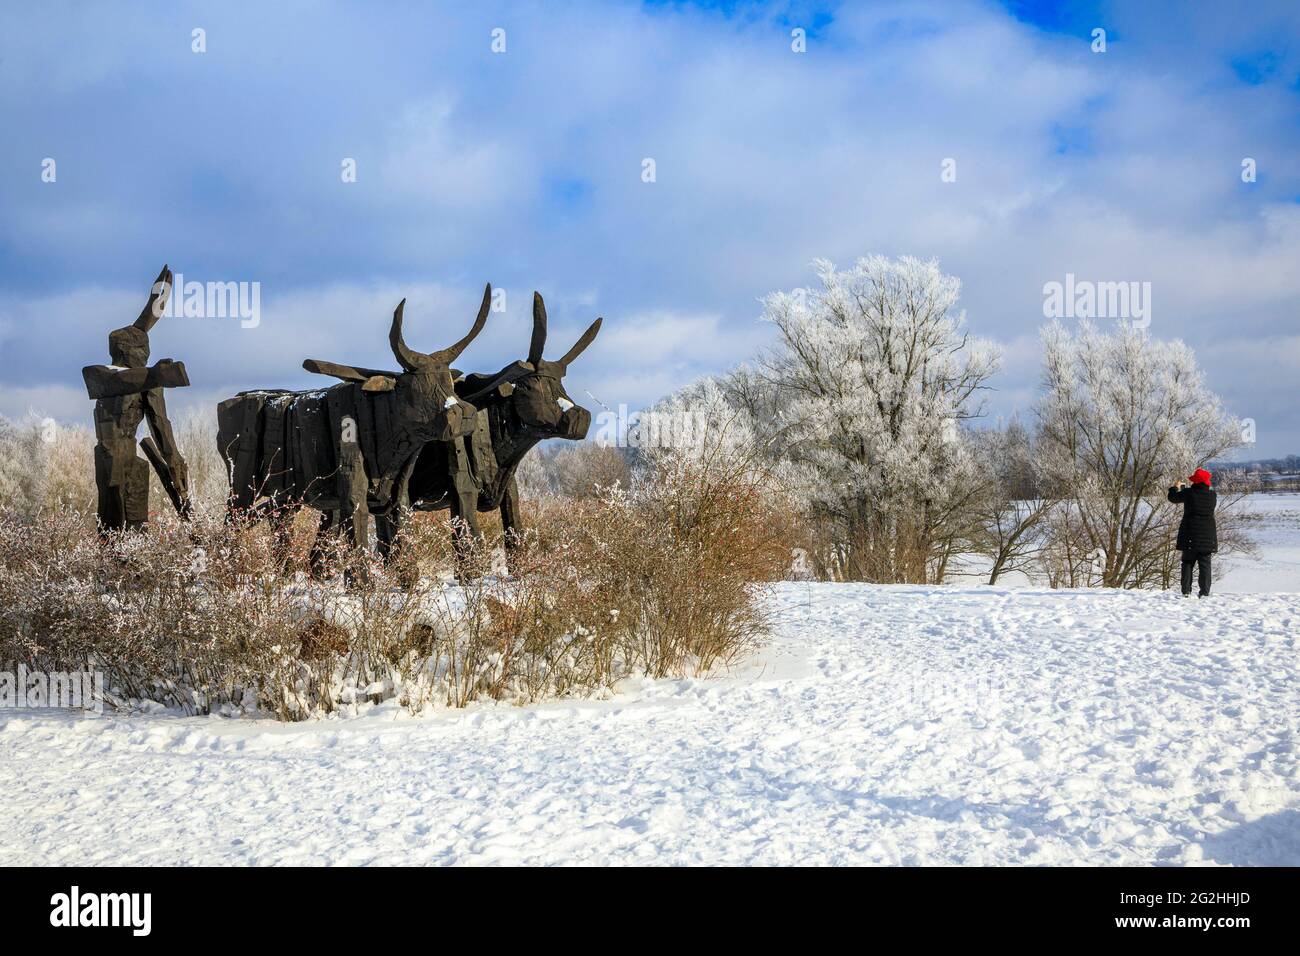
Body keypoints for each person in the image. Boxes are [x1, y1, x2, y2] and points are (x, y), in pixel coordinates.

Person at [1168, 468, 1217, 597]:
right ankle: (1205, 592)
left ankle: (1186, 591)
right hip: (1207, 536)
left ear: (1195, 481)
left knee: (1188, 562)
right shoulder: (1213, 495)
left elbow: (1173, 498)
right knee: (1205, 565)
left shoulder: (1189, 493)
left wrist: (1175, 487)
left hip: (1190, 534)